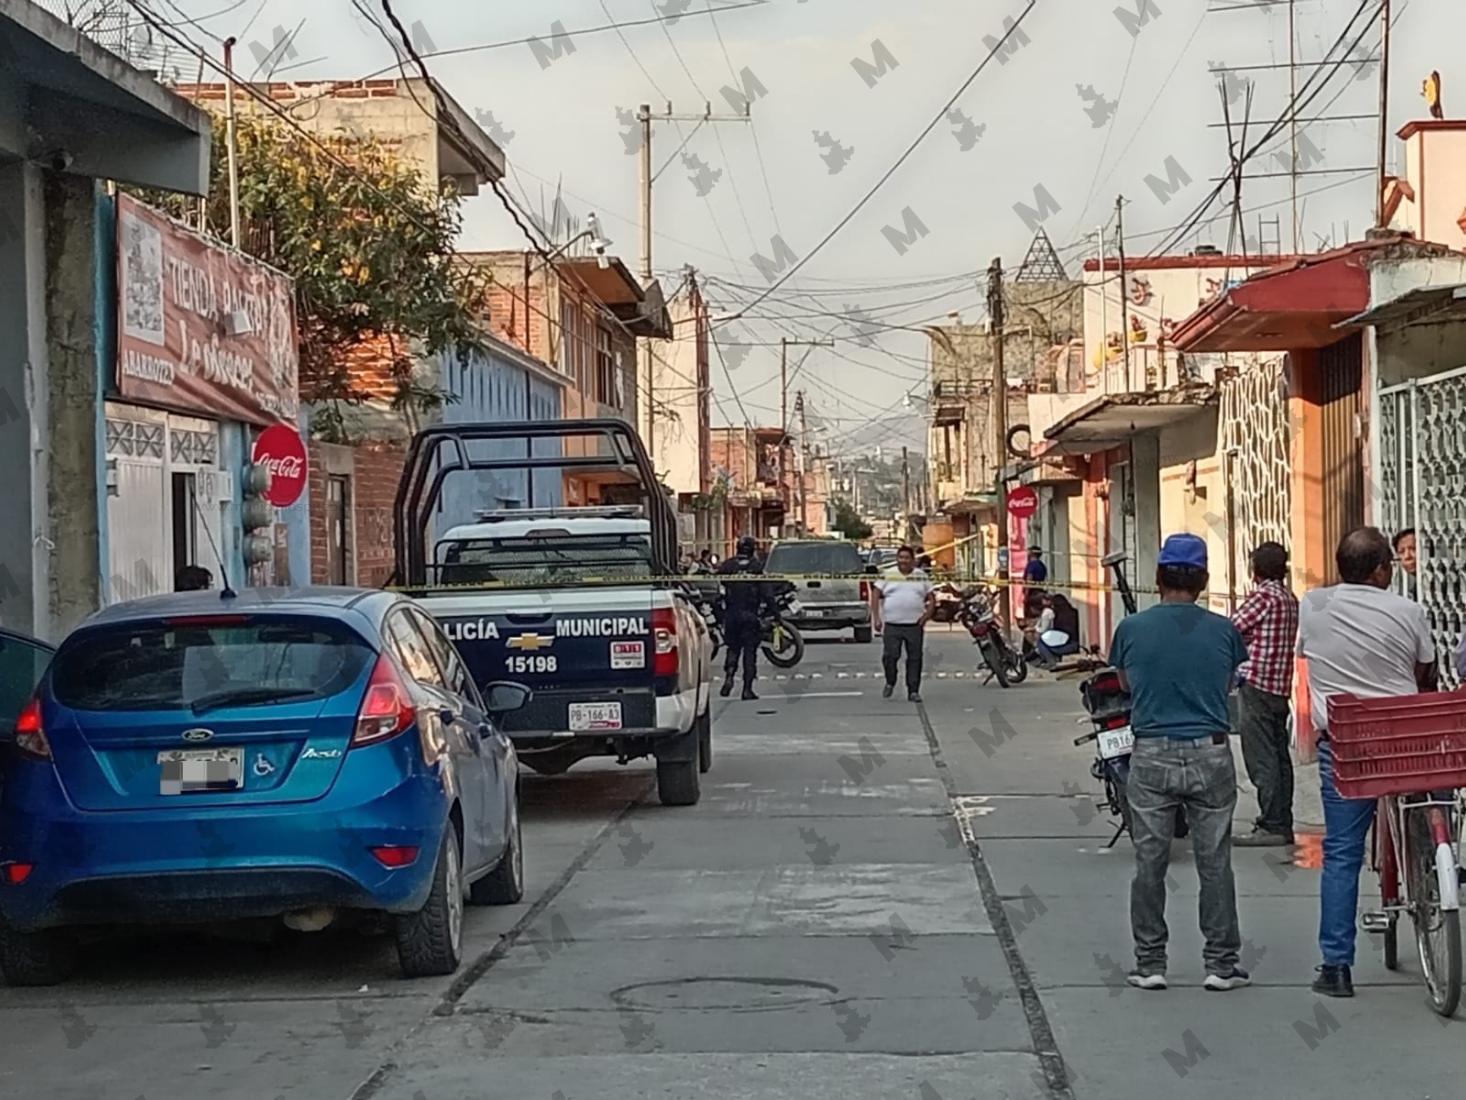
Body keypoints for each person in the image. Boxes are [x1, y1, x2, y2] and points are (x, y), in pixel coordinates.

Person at [1109, 533, 1251, 992]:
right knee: (1215, 861)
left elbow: (1126, 684)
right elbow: (1229, 683)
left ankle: (1150, 964)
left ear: (1158, 577)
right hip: (1210, 752)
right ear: (1204, 580)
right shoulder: (1225, 629)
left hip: (1151, 751)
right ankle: (1221, 964)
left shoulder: (1131, 628)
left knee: (1149, 861)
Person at [1299, 526, 1436, 999]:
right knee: (1425, 808)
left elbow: (1307, 657)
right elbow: (1425, 670)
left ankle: (1336, 968)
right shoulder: (1410, 610)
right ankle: (1434, 868)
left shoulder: (1312, 605)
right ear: (1381, 570)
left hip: (1347, 743)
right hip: (1403, 743)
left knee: (1341, 853)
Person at [1230, 541, 1300, 848]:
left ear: (1255, 569)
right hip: (1280, 686)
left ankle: (1271, 824)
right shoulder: (1288, 597)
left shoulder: (1263, 596)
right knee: (1280, 756)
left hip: (1257, 684)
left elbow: (1232, 629)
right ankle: (1282, 820)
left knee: (1261, 759)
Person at [872, 545, 934, 702]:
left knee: (915, 658)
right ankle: (890, 681)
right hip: (893, 625)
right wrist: (877, 618)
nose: (904, 561)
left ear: (913, 560)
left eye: (907, 558)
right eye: (901, 557)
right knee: (890, 656)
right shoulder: (888, 575)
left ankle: (913, 691)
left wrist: (926, 616)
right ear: (897, 559)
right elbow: (875, 594)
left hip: (914, 625)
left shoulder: (920, 576)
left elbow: (931, 597)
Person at [716, 536, 767, 701]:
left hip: (732, 615)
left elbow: (718, 586)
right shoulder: (756, 567)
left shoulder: (728, 565)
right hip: (750, 615)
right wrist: (775, 613)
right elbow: (766, 592)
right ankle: (747, 689)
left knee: (733, 648)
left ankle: (729, 677)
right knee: (749, 653)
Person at [1035, 592, 1081, 668]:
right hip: (1075, 644)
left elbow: (1047, 630)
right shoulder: (1074, 612)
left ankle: (1051, 662)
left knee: (1041, 642)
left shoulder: (1057, 615)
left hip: (1068, 645)